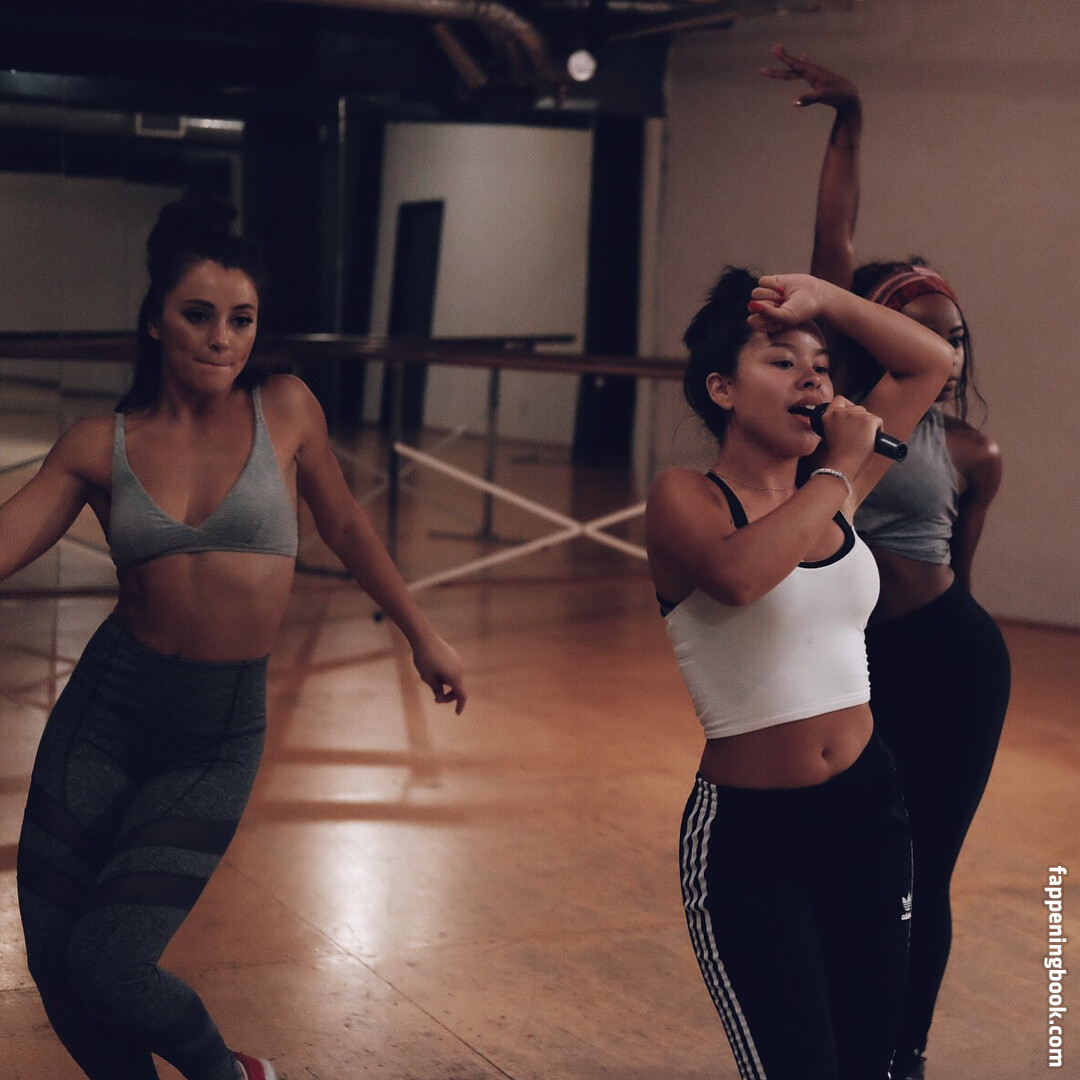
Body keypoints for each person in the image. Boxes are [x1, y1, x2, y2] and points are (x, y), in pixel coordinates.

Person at [12, 195, 466, 1080]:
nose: (223, 340)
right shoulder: (97, 445)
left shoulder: (285, 410)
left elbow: (347, 527)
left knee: (110, 961)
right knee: (57, 961)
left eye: (242, 320)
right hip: (104, 717)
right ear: (155, 321)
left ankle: (228, 1074)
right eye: (199, 315)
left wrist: (422, 634)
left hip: (213, 737)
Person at [763, 46, 1012, 1080]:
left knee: (927, 869)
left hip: (951, 657)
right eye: (920, 331)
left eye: (951, 336)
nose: (941, 353)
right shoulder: (848, 410)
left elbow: (960, 578)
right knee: (853, 859)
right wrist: (850, 118)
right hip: (854, 662)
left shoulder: (973, 451)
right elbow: (832, 257)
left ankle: (903, 1054)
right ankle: (843, 1038)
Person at [647, 267, 953, 1079]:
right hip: (753, 838)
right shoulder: (687, 496)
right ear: (721, 389)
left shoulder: (835, 494)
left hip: (868, 811)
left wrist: (824, 296)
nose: (812, 379)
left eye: (820, 366)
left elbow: (931, 362)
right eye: (782, 362)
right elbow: (739, 577)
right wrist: (836, 472)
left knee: (867, 1062)